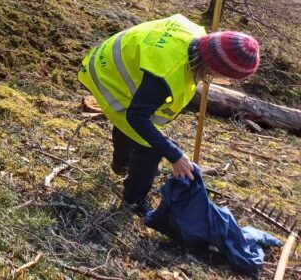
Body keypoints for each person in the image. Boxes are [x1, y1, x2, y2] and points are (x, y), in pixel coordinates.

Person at [80, 17, 260, 214]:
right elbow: (136, 117)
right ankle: (133, 201)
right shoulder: (167, 74)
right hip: (107, 78)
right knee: (150, 146)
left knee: (138, 130)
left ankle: (121, 164)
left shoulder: (194, 32)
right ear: (214, 69)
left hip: (110, 60)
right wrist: (175, 155)